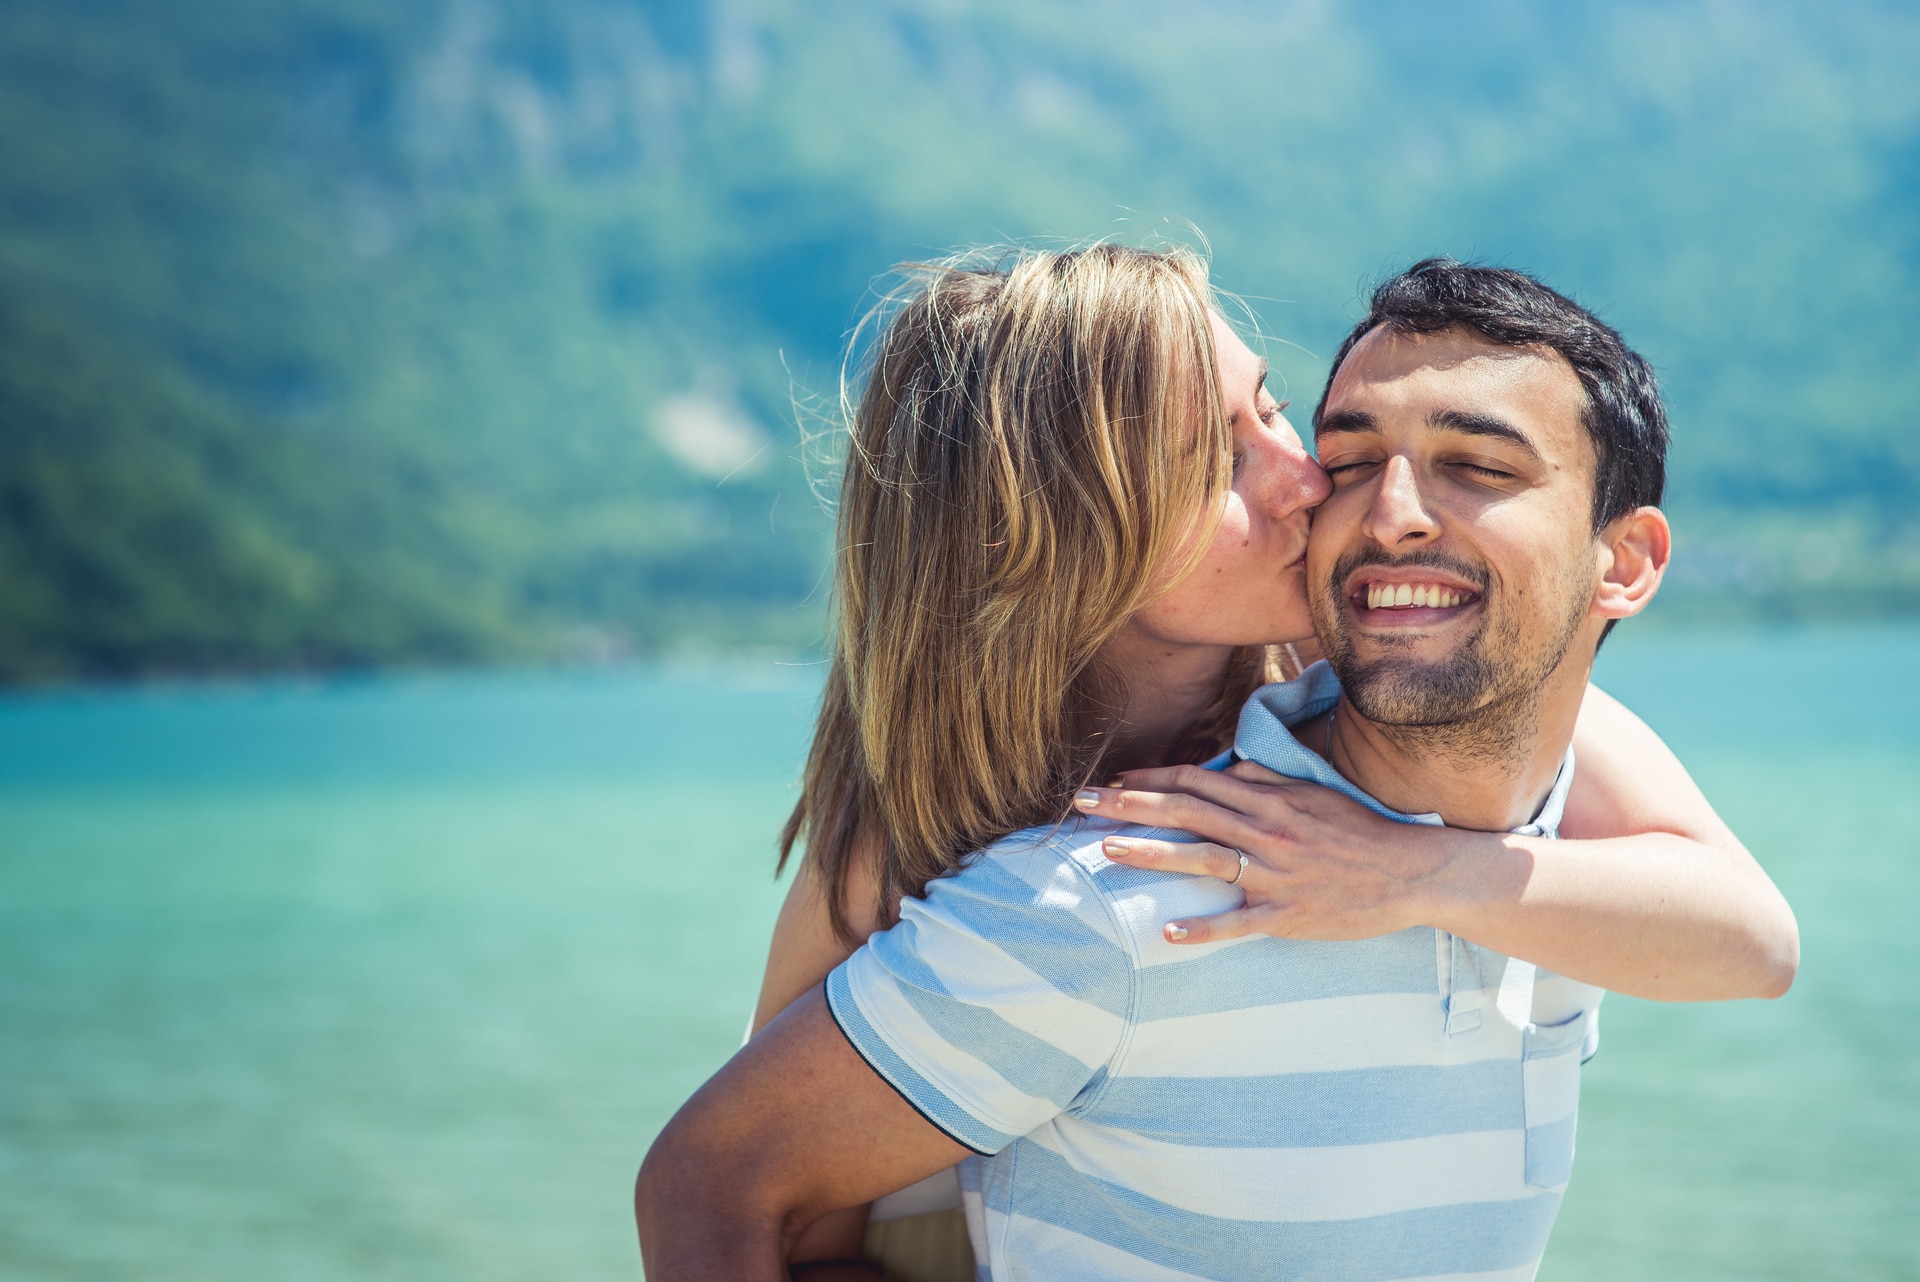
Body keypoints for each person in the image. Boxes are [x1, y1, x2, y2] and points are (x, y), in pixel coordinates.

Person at [636, 248, 1798, 1281]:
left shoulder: (1413, 699)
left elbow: (1751, 934)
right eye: (1214, 461)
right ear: (1070, 538)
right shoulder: (955, 857)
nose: (1308, 481)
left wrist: (1412, 874)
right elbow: (739, 1182)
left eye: (1274, 413)